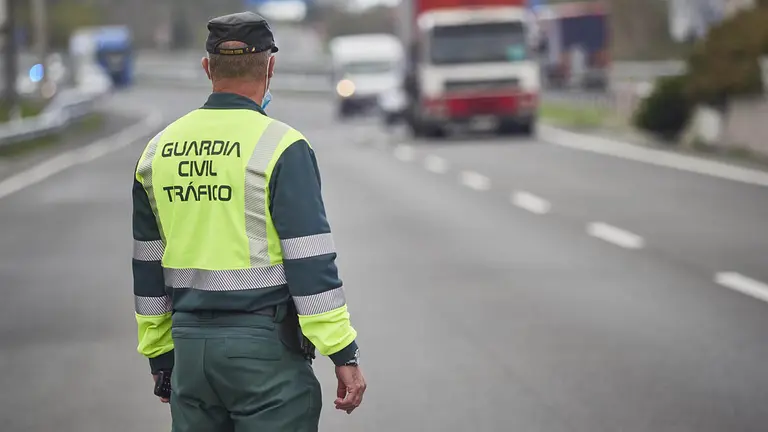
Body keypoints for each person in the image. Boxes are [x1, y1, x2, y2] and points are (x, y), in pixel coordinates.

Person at [130, 11, 366, 431]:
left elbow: (148, 269)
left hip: (189, 354)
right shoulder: (283, 146)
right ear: (271, 67)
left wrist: (160, 355)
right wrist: (342, 353)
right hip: (264, 356)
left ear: (207, 68)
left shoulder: (157, 152)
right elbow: (310, 263)